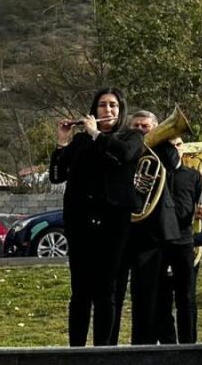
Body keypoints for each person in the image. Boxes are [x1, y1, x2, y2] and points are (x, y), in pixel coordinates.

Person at [49, 87, 143, 347]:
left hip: (114, 223)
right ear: (94, 109)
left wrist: (95, 133)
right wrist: (62, 141)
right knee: (80, 292)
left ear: (120, 110)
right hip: (80, 221)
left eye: (113, 105)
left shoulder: (131, 137)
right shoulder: (80, 141)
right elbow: (57, 174)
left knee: (106, 292)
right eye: (102, 105)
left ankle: (104, 351)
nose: (108, 110)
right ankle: (76, 350)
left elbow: (123, 156)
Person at [112, 110, 180, 346]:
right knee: (114, 293)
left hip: (152, 230)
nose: (141, 130)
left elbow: (174, 164)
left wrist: (166, 140)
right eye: (137, 126)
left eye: (146, 127)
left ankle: (143, 346)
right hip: (124, 228)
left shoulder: (163, 147)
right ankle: (108, 344)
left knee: (148, 295)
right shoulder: (123, 146)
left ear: (155, 127)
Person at [162, 138, 201, 343]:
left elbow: (201, 203)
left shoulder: (193, 175)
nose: (174, 149)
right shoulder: (157, 173)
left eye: (178, 145)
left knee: (186, 298)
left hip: (184, 241)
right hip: (160, 242)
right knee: (162, 300)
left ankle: (189, 345)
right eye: (169, 145)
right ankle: (167, 345)